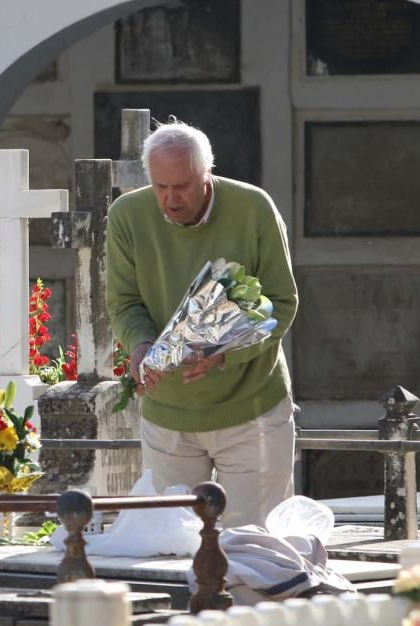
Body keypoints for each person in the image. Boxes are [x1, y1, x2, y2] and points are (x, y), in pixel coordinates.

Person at [105, 121, 299, 529]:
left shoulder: (254, 208)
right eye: (161, 187)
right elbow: (124, 303)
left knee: (253, 545)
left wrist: (226, 351)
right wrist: (139, 345)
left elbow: (282, 302)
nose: (171, 199)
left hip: (252, 408)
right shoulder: (127, 215)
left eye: (183, 186)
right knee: (171, 545)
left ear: (207, 174)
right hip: (168, 412)